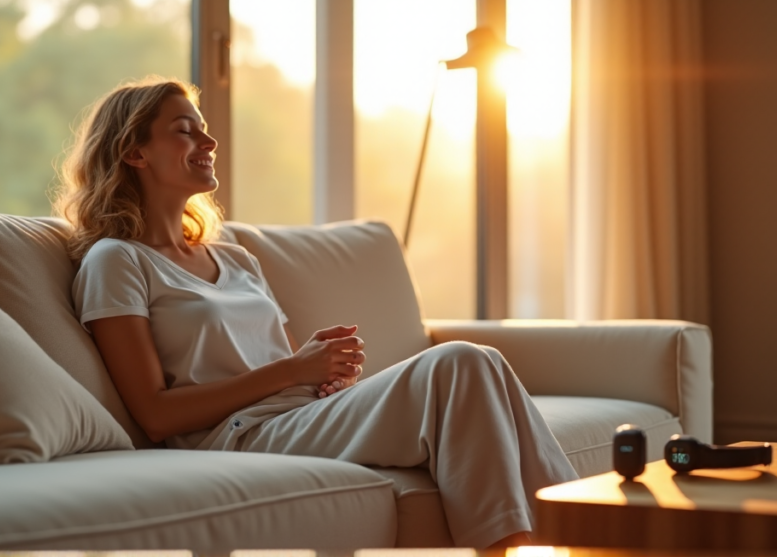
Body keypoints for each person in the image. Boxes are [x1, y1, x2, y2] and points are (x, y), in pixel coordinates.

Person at [56, 75, 578, 548]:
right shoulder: (117, 260)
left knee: (482, 362)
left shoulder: (234, 257)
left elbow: (280, 371)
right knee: (460, 362)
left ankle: (585, 534)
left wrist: (323, 376)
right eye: (185, 130)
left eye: (205, 129)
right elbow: (155, 413)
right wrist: (295, 369)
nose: (209, 142)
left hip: (295, 416)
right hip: (234, 437)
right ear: (135, 153)